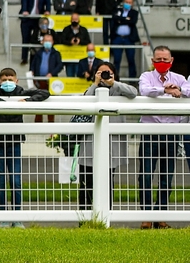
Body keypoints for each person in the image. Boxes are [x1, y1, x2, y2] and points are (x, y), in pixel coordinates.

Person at [0, 67, 48, 227]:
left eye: (10, 79)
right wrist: (1, 103)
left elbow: (44, 93)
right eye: (4, 79)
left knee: (16, 180)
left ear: (17, 81)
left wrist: (27, 101)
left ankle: (17, 216)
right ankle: (4, 217)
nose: (7, 82)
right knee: (0, 180)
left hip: (15, 140)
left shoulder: (21, 93)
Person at [77, 62, 138, 211]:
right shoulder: (92, 89)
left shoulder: (119, 90)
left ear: (114, 74)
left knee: (108, 182)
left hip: (112, 145)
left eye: (108, 72)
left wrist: (113, 83)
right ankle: (84, 217)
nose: (104, 75)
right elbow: (84, 102)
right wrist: (95, 83)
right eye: (100, 72)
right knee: (86, 182)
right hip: (90, 144)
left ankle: (106, 215)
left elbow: (134, 92)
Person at [138, 46, 187, 229]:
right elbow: (145, 90)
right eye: (158, 59)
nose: (162, 63)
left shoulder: (179, 79)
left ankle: (161, 215)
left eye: (165, 60)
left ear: (171, 61)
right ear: (153, 61)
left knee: (167, 176)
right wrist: (165, 90)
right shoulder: (146, 76)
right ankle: (146, 216)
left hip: (171, 133)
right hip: (150, 132)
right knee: (146, 175)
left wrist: (179, 89)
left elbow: (188, 90)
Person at [18, 0, 50, 65]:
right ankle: (24, 58)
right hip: (27, 18)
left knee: (36, 38)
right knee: (25, 38)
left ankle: (36, 57)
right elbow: (24, 1)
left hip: (38, 19)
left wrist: (48, 10)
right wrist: (24, 10)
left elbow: (48, 2)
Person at [110, 0, 140, 79]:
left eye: (129, 2)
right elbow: (114, 18)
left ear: (132, 4)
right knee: (116, 60)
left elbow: (133, 21)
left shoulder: (134, 12)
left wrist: (121, 20)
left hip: (129, 39)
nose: (128, 4)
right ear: (123, 2)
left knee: (131, 60)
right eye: (126, 2)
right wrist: (126, 19)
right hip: (117, 38)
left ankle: (132, 79)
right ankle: (115, 79)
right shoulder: (117, 11)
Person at [60, 12, 91, 77]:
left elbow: (88, 41)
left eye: (76, 19)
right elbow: (62, 40)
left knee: (79, 76)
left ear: (79, 20)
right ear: (70, 20)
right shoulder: (66, 29)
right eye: (73, 19)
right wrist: (70, 42)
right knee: (70, 76)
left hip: (80, 58)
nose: (74, 21)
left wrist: (80, 41)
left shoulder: (83, 30)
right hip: (69, 58)